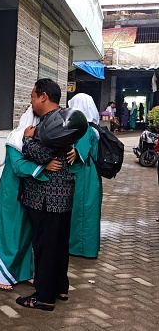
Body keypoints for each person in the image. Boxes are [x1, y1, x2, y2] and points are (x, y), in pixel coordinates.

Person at [15, 78, 80, 311]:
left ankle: (43, 296)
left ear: (43, 96)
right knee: (59, 244)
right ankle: (60, 287)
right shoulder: (67, 117)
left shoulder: (50, 123)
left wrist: (26, 139)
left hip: (45, 197)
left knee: (44, 246)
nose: (31, 101)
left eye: (33, 96)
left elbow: (43, 155)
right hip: (63, 195)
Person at [0, 106, 62, 291]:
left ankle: (22, 273)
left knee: (25, 233)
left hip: (29, 193)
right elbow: (18, 166)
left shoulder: (39, 142)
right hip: (11, 194)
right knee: (7, 233)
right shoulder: (15, 139)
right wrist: (44, 167)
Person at [67, 93, 103, 258]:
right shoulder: (94, 128)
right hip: (91, 176)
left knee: (80, 213)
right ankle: (88, 247)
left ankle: (79, 248)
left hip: (83, 177)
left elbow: (76, 154)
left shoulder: (84, 130)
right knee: (89, 213)